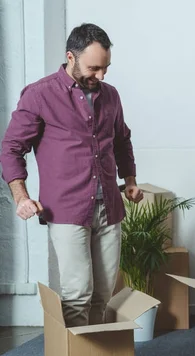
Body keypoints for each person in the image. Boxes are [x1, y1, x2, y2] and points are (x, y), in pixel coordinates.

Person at [0, 23, 143, 327]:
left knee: (103, 294)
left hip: (109, 208)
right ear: (70, 57)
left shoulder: (111, 95)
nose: (101, 76)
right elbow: (11, 148)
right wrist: (21, 197)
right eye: (94, 68)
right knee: (77, 294)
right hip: (66, 209)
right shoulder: (39, 95)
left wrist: (129, 180)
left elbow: (122, 139)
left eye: (105, 68)